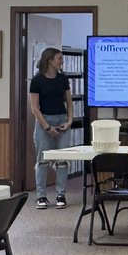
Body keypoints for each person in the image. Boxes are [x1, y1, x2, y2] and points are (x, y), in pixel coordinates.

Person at [28, 46, 73, 210]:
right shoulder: (37, 80)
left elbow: (69, 103)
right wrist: (47, 127)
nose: (62, 62)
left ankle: (61, 194)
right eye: (59, 58)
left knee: (62, 160)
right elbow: (35, 108)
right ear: (50, 60)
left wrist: (69, 121)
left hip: (62, 120)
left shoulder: (62, 79)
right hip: (44, 121)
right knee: (42, 160)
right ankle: (41, 196)